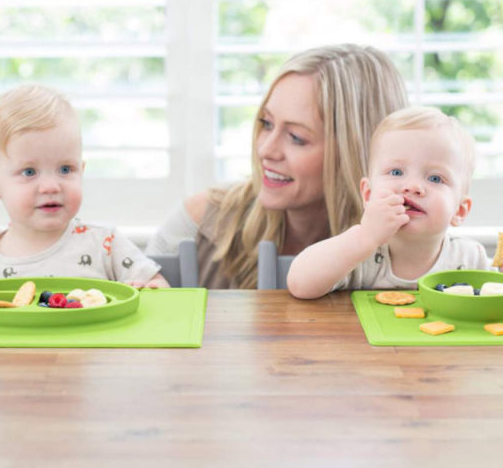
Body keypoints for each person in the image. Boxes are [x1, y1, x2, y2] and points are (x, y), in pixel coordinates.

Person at [145, 44, 408, 288]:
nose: (265, 150)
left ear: (355, 152)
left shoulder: (408, 246)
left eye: (296, 137)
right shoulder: (201, 223)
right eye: (266, 124)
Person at [286, 106, 503, 299]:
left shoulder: (469, 258)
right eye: (396, 172)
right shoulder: (358, 253)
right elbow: (299, 284)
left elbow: (492, 307)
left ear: (459, 210)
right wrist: (365, 236)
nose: (412, 186)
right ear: (369, 195)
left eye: (435, 178)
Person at [0, 84, 168, 288]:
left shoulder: (106, 245)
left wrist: (151, 290)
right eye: (29, 172)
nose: (51, 187)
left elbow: (161, 290)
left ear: (81, 170)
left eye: (65, 169)